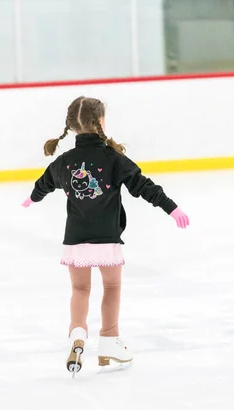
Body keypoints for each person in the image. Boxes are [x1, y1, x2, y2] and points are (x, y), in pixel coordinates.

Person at [22, 96, 189, 375]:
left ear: (71, 127)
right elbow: (144, 186)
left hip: (75, 239)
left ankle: (77, 333)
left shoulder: (64, 162)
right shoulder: (114, 159)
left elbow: (44, 183)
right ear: (101, 122)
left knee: (79, 289)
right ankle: (110, 342)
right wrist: (171, 208)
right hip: (107, 239)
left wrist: (32, 198)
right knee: (111, 288)